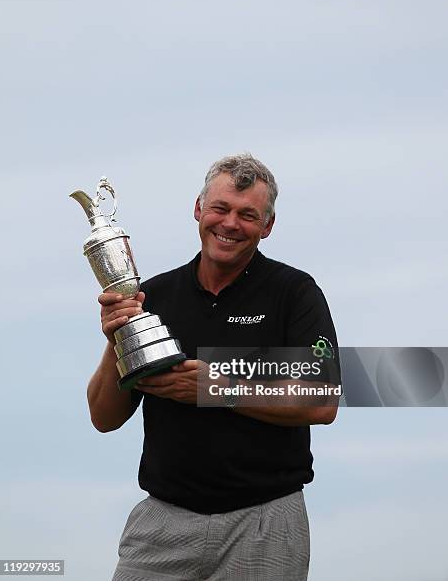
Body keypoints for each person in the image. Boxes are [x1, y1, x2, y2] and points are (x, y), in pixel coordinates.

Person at [88, 154, 340, 581]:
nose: (230, 224)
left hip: (266, 522)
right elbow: (103, 418)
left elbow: (321, 400)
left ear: (267, 226)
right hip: (162, 521)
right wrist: (117, 341)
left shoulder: (294, 292)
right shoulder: (154, 296)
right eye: (221, 209)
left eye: (248, 215)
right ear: (199, 209)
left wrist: (216, 389)